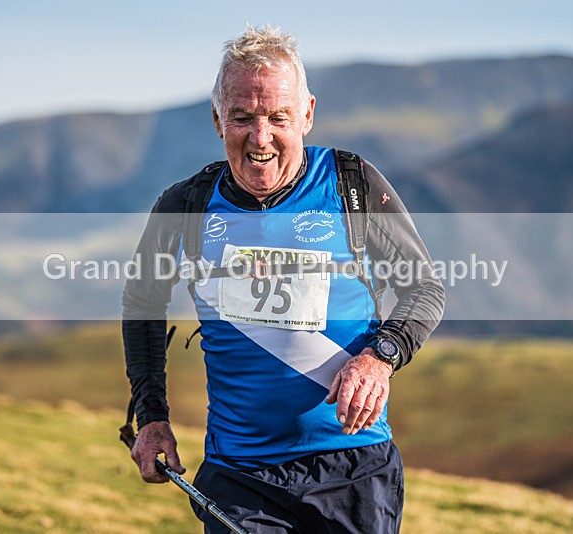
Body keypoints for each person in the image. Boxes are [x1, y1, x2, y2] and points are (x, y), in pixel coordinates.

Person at [122, 25, 445, 533]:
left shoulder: (350, 183)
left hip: (354, 469)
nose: (261, 136)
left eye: (279, 117)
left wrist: (379, 358)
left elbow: (424, 288)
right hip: (239, 476)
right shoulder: (185, 205)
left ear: (308, 114)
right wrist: (151, 414)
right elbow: (142, 302)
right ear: (217, 119)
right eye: (242, 117)